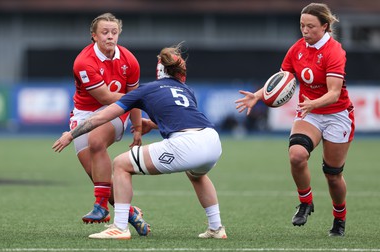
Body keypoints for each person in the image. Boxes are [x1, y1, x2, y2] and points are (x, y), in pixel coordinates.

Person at [53, 43, 227, 240]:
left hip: (186, 144)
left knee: (120, 164)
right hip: (211, 140)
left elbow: (101, 117)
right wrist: (151, 125)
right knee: (197, 176)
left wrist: (71, 134)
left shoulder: (146, 89)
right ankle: (216, 227)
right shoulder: (187, 91)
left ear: (159, 69)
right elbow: (180, 118)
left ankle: (119, 227)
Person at [235, 3, 354, 237]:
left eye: (310, 26)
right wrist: (258, 96)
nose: (305, 30)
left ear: (325, 26)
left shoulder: (335, 51)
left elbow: (334, 92)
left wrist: (313, 103)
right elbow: (281, 80)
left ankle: (339, 219)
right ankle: (305, 202)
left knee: (332, 175)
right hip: (310, 113)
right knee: (297, 155)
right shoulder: (297, 48)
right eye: (301, 25)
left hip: (337, 115)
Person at [69, 12, 149, 235]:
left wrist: (138, 128)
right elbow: (105, 96)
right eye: (104, 32)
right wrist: (137, 97)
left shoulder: (129, 60)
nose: (110, 36)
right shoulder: (84, 62)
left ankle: (101, 207)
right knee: (96, 175)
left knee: (96, 141)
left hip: (116, 111)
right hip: (84, 114)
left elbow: (128, 100)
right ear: (94, 36)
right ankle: (131, 212)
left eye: (114, 32)